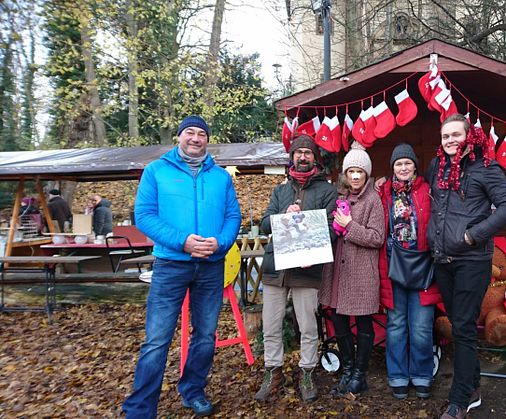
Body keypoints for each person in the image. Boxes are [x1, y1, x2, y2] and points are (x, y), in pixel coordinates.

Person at [122, 115, 241, 418]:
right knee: (157, 338)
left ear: (207, 140)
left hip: (211, 265)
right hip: (171, 265)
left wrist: (221, 243)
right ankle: (140, 407)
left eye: (202, 134)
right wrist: (182, 241)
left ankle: (192, 390)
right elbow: (145, 216)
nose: (196, 139)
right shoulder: (156, 172)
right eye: (190, 132)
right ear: (179, 136)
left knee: (205, 335)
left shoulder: (220, 177)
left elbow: (233, 217)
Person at [426, 114, 506, 419]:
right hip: (442, 259)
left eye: (455, 135)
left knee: (463, 327)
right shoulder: (436, 167)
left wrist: (473, 235)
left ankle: (459, 399)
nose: (450, 140)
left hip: (471, 260)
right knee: (460, 325)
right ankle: (473, 386)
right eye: (445, 136)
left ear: (469, 136)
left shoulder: (486, 168)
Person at [254, 134, 337, 403]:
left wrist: (316, 253)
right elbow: (265, 224)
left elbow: (331, 230)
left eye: (308, 153)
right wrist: (282, 217)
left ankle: (307, 372)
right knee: (271, 325)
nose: (302, 157)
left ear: (315, 158)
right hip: (276, 268)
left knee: (308, 325)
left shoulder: (326, 191)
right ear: (291, 157)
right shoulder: (280, 191)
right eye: (298, 152)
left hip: (306, 269)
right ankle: (273, 372)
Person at [319, 141, 385, 396]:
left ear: (366, 174)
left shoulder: (373, 200)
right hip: (337, 271)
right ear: (345, 175)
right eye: (351, 171)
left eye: (360, 171)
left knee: (364, 323)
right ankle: (347, 371)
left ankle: (360, 374)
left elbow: (376, 237)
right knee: (339, 320)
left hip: (360, 273)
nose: (356, 176)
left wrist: (349, 226)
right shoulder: (339, 198)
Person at [378, 143, 442, 400]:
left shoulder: (428, 190)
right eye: (398, 164)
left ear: (415, 165)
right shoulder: (383, 192)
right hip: (393, 264)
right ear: (392, 167)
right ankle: (397, 375)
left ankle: (422, 374)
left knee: (421, 326)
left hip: (423, 266)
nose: (403, 168)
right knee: (395, 324)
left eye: (407, 163)